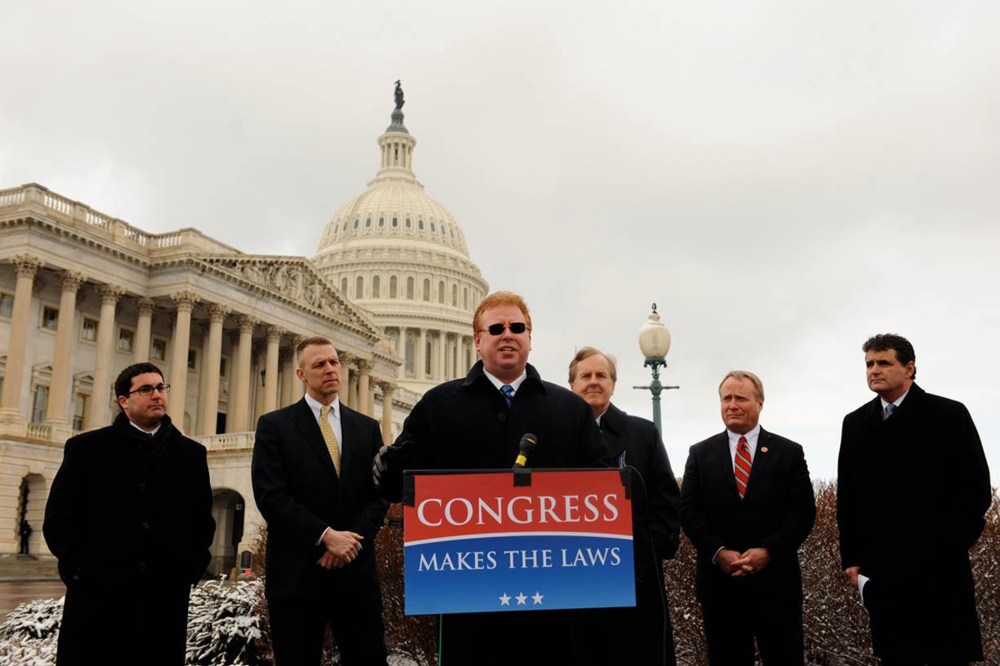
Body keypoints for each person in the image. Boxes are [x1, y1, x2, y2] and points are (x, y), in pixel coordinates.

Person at [373, 291, 611, 666]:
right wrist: (388, 468)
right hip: (468, 603)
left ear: (530, 338)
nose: (507, 335)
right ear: (477, 340)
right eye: (496, 328)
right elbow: (401, 481)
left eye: (517, 327)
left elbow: (601, 490)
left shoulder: (569, 410)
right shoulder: (438, 406)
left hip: (552, 601)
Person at [43, 362, 215, 666]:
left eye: (161, 387)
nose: (157, 394)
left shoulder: (191, 454)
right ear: (124, 401)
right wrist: (79, 571)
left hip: (163, 598)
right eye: (146, 389)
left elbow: (202, 521)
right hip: (98, 596)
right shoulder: (86, 449)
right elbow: (60, 518)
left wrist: (190, 569)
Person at [837, 333, 991, 665]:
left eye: (883, 362)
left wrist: (946, 545)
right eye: (869, 364)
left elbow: (975, 490)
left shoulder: (948, 415)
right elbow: (848, 500)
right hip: (883, 573)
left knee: (945, 655)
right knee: (895, 656)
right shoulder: (855, 424)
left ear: (909, 368)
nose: (874, 370)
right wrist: (851, 560)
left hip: (940, 570)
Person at [252, 336, 389, 666]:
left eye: (333, 362)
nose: (330, 369)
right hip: (298, 575)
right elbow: (271, 497)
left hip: (355, 574)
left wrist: (349, 543)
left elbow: (380, 494)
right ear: (301, 374)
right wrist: (326, 537)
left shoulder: (367, 428)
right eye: (319, 364)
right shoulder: (275, 426)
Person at [680, 370, 815, 666]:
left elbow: (802, 512)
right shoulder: (700, 454)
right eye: (726, 398)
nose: (732, 404)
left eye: (740, 397)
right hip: (720, 587)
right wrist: (719, 553)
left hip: (776, 585)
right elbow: (690, 512)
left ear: (760, 403)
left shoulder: (788, 453)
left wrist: (769, 551)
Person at [568, 347, 681, 666]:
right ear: (572, 386)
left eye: (601, 375)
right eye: (585, 376)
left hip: (636, 581)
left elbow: (667, 503)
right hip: (573, 581)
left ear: (613, 384)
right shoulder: (555, 435)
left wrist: (645, 556)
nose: (593, 382)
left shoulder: (643, 433)